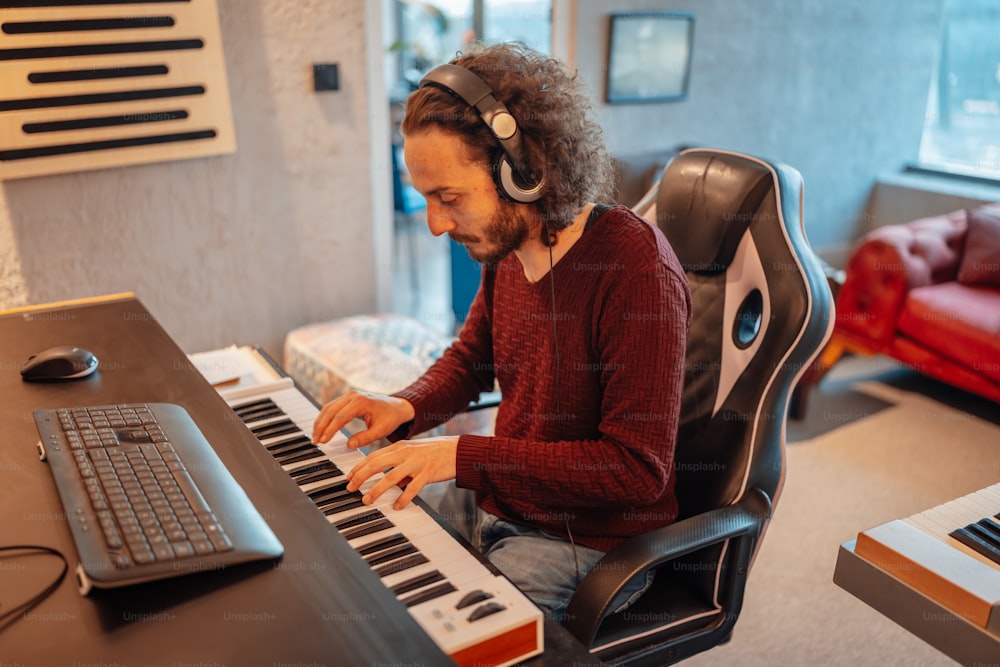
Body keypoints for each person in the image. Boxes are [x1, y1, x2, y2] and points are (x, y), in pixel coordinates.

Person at [313, 42, 691, 620]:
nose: (437, 225)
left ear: (524, 171)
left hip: (589, 542)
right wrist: (403, 406)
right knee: (350, 544)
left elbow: (635, 472)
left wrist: (460, 456)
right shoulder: (508, 250)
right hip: (499, 502)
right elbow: (471, 360)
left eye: (450, 198)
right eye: (426, 201)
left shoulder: (637, 272)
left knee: (430, 633)